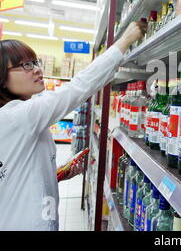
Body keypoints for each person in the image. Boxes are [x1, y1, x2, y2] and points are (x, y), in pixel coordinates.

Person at [0, 21, 146, 231]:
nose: (37, 70)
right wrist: (123, 42)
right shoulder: (18, 115)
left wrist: (54, 174)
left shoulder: (14, 116)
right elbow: (77, 89)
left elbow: (15, 174)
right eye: (25, 65)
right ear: (2, 80)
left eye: (35, 62)